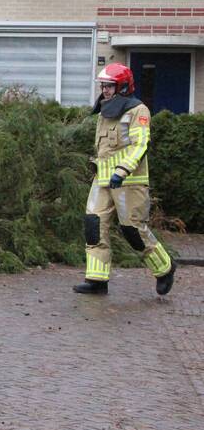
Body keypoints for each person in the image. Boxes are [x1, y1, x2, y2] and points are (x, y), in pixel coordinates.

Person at [73, 63, 176, 296]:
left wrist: (121, 171)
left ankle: (164, 268)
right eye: (103, 86)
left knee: (133, 230)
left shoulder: (138, 110)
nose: (104, 90)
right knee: (94, 225)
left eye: (109, 86)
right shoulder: (105, 110)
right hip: (102, 179)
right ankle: (97, 279)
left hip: (129, 181)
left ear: (123, 87)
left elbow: (140, 145)